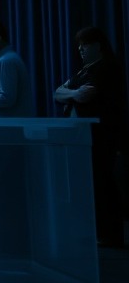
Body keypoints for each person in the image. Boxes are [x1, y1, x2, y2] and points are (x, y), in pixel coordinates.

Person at [53, 26, 126, 247]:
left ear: (98, 45)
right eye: (79, 45)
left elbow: (87, 96)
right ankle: (97, 231)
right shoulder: (83, 71)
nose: (81, 49)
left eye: (85, 45)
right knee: (90, 185)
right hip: (82, 137)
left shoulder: (107, 68)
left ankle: (110, 234)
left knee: (103, 183)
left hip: (101, 136)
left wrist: (72, 95)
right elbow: (57, 93)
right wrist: (73, 93)